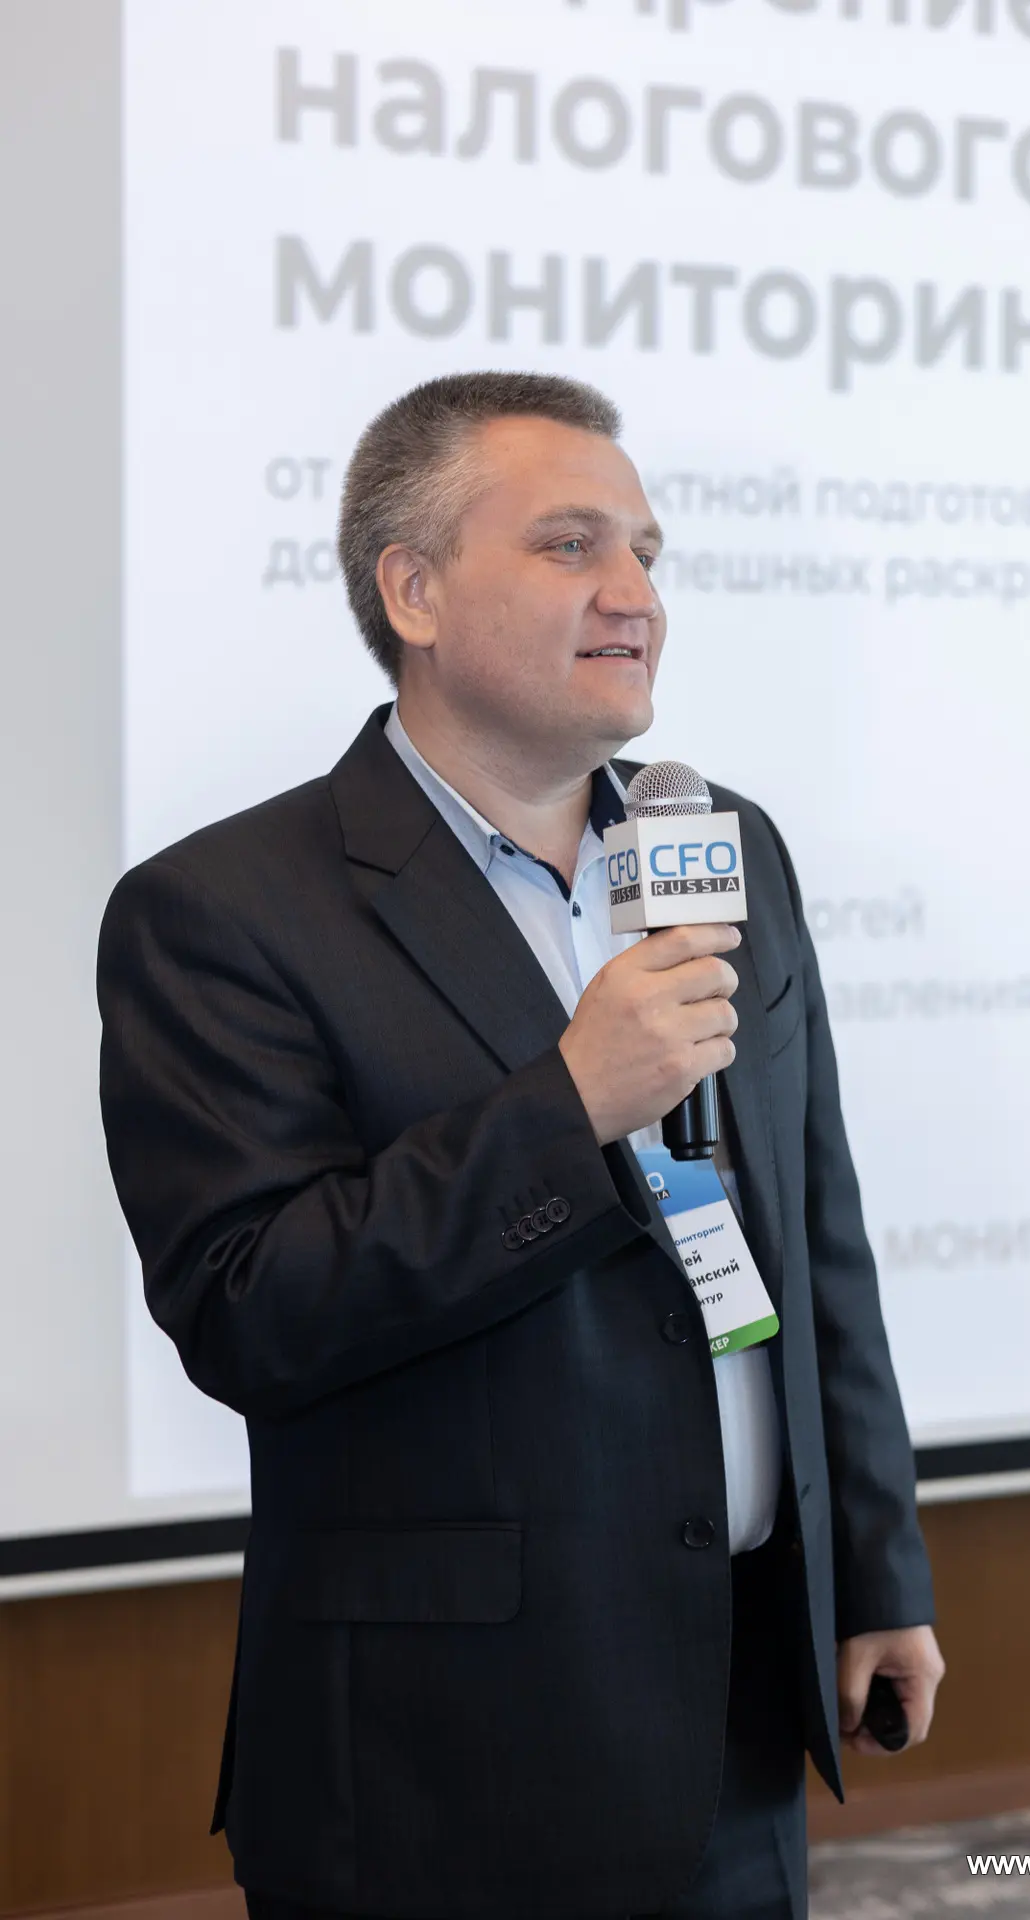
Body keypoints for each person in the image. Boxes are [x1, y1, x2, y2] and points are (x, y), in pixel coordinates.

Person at [98, 371, 943, 1920]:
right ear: (411, 592)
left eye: (647, 552)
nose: (636, 594)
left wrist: (873, 1568)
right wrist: (570, 1106)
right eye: (570, 546)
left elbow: (817, 1232)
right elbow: (251, 1308)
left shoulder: (726, 846)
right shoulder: (223, 912)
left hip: (740, 1700)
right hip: (439, 1757)